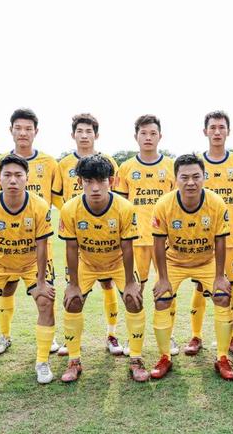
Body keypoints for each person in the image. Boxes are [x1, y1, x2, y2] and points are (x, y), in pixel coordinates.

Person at [0, 154, 56, 386]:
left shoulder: (39, 205)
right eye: (7, 175)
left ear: (27, 178)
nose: (13, 180)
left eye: (18, 175)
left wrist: (42, 283)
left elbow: (42, 246)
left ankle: (42, 362)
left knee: (46, 300)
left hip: (31, 262)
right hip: (1, 262)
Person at [59, 155, 148, 382]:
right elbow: (71, 248)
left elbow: (127, 247)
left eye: (101, 180)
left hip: (117, 262)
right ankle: (74, 361)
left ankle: (136, 359)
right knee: (72, 301)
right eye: (89, 181)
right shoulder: (70, 209)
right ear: (80, 181)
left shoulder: (124, 207)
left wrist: (130, 283)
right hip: (87, 263)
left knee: (134, 300)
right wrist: (72, 284)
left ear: (112, 181)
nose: (96, 188)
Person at [0, 108, 64, 357]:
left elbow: (59, 199)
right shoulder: (0, 162)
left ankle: (49, 337)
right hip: (7, 242)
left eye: (28, 128)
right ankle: (5, 335)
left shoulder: (49, 163)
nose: (23, 133)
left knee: (45, 291)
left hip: (39, 241)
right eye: (18, 128)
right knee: (6, 288)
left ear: (36, 132)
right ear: (11, 130)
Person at [150, 154, 233, 380]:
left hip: (206, 261)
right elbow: (158, 243)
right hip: (174, 261)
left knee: (222, 296)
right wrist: (163, 278)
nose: (190, 182)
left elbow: (220, 241)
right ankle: (164, 357)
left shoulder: (216, 203)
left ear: (204, 177)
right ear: (175, 178)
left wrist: (219, 276)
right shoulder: (164, 204)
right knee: (162, 299)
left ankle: (222, 358)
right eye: (184, 177)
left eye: (196, 177)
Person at [55, 113, 122, 356]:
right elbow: (56, 196)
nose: (84, 136)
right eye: (80, 131)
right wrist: (70, 216)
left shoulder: (109, 161)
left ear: (96, 135)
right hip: (77, 233)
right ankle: (71, 341)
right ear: (73, 134)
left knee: (108, 283)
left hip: (105, 234)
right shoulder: (63, 164)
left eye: (89, 131)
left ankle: (112, 334)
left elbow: (117, 196)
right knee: (73, 289)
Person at [185, 111, 233, 357]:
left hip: (230, 238)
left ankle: (230, 337)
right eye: (212, 127)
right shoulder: (196, 163)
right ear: (205, 131)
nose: (217, 132)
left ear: (228, 131)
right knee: (200, 288)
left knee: (230, 287)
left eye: (221, 127)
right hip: (202, 239)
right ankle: (196, 336)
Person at [113, 115, 175, 356]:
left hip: (164, 241)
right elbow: (119, 206)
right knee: (134, 290)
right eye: (143, 133)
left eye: (153, 133)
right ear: (135, 136)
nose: (148, 137)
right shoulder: (126, 168)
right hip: (135, 241)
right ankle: (133, 338)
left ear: (160, 136)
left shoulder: (170, 166)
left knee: (167, 288)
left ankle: (169, 336)